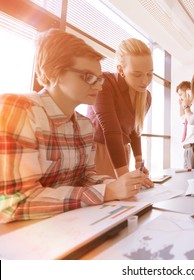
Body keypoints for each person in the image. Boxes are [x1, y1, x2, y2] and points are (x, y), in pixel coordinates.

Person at [0, 29, 153, 223]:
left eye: (99, 79)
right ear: (52, 73)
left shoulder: (84, 125)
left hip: (68, 225)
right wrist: (107, 191)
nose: (98, 86)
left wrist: (118, 184)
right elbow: (13, 203)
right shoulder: (19, 110)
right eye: (88, 77)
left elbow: (86, 177)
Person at [87, 38, 152, 178]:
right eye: (137, 74)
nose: (145, 81)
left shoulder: (146, 97)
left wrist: (139, 160)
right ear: (120, 69)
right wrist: (124, 177)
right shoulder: (104, 83)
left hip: (122, 150)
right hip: (98, 149)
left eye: (149, 73)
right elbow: (111, 130)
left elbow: (135, 129)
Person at [176, 81, 194, 169]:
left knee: (193, 177)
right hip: (188, 148)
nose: (180, 98)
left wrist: (186, 107)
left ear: (189, 92)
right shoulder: (190, 108)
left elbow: (191, 120)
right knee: (186, 176)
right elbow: (183, 119)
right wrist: (182, 105)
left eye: (180, 94)